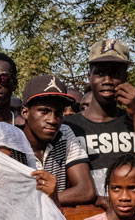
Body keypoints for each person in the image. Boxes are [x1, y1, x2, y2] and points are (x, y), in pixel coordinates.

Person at [64, 38, 135, 202]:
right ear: (89, 77)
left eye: (115, 74)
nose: (107, 81)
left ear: (125, 77)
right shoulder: (69, 127)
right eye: (100, 73)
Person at [19, 74, 95, 206]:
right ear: (25, 112)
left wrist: (50, 197)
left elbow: (86, 190)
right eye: (44, 111)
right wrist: (51, 199)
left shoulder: (64, 133)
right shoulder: (10, 142)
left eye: (59, 113)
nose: (53, 120)